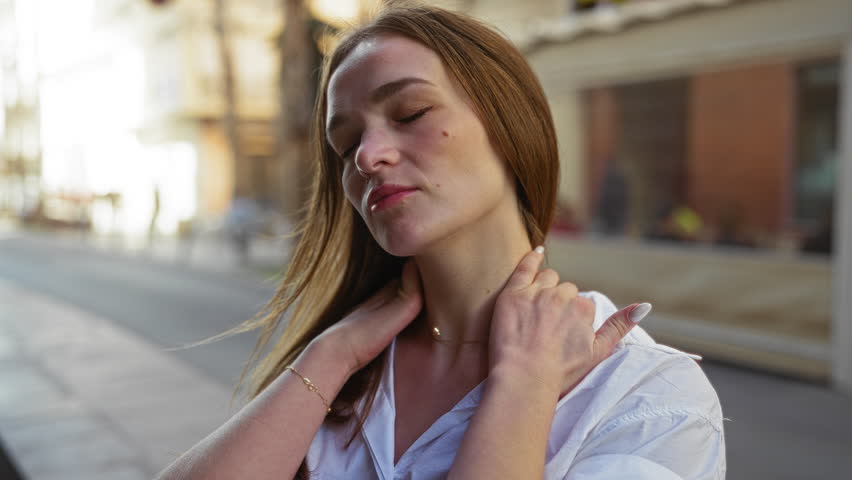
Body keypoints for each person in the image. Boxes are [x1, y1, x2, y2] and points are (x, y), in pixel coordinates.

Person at [156, 5, 725, 479]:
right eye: (345, 141)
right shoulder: (348, 368)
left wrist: (522, 385)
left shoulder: (647, 395)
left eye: (411, 112)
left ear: (510, 124)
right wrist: (330, 355)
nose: (367, 156)